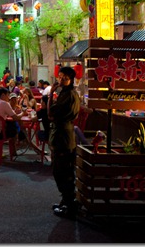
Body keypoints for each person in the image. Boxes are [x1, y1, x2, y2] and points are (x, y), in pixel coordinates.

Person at [48, 66, 81, 219]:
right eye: (60, 76)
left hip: (63, 136)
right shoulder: (67, 93)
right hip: (63, 135)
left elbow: (50, 114)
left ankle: (69, 204)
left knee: (62, 171)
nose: (61, 80)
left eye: (65, 78)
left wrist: (49, 95)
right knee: (61, 170)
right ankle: (66, 201)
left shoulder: (68, 95)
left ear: (71, 79)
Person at [0, 87, 24, 157]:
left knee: (9, 126)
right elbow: (15, 117)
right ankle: (12, 152)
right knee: (14, 129)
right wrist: (23, 113)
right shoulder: (5, 103)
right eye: (7, 95)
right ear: (3, 95)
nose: (8, 98)